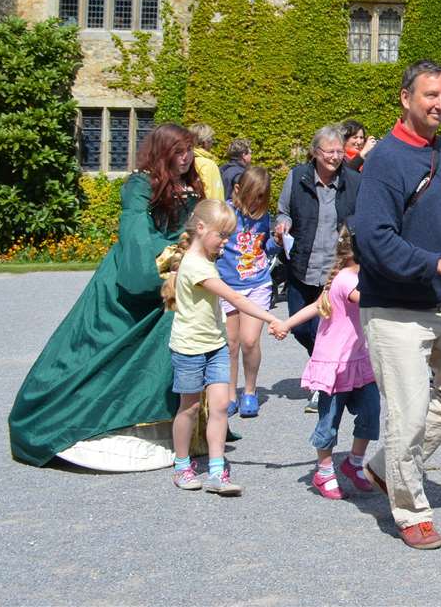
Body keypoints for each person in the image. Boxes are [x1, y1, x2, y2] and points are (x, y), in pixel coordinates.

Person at [8, 123, 205, 468]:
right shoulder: (141, 184)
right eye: (178, 150)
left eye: (189, 149)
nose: (186, 156)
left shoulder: (192, 185)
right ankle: (92, 422)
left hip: (179, 277)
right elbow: (135, 233)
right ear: (163, 152)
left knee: (176, 345)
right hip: (137, 273)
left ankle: (172, 426)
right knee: (102, 348)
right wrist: (168, 259)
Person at [352, 60, 441, 550]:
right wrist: (438, 264)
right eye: (431, 95)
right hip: (395, 308)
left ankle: (389, 466)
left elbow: (437, 217)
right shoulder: (385, 159)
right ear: (405, 98)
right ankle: (411, 510)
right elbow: (374, 239)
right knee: (405, 416)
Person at [157, 198, 288, 495]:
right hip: (190, 347)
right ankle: (181, 466)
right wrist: (272, 319)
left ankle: (217, 471)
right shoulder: (194, 266)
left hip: (214, 346)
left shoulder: (206, 260)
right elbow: (238, 299)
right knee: (189, 408)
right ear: (201, 229)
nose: (226, 242)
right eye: (222, 235)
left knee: (217, 407)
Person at [280, 227, 380, 500]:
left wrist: (286, 323)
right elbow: (370, 298)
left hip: (357, 361)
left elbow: (317, 305)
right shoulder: (348, 280)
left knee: (371, 412)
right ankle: (324, 471)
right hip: (334, 364)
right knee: (329, 421)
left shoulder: (353, 276)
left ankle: (354, 462)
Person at [275, 125, 363, 371]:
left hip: (336, 271)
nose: (335, 157)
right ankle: (323, 363)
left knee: (325, 327)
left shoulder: (354, 182)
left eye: (339, 152)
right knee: (301, 328)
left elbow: (364, 217)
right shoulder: (297, 177)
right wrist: (283, 226)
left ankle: (326, 374)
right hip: (303, 266)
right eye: (329, 152)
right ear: (315, 152)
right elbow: (284, 212)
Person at [219, 166, 277, 418]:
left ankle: (250, 392)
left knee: (250, 340)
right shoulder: (225, 213)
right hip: (227, 284)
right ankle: (230, 394)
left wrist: (277, 239)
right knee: (230, 344)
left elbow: (266, 246)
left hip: (257, 283)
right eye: (253, 196)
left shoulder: (263, 215)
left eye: (262, 197)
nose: (256, 202)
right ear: (239, 190)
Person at [188, 123, 223, 201]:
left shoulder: (186, 160)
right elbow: (214, 197)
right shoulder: (208, 164)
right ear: (205, 142)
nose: (212, 143)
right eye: (211, 140)